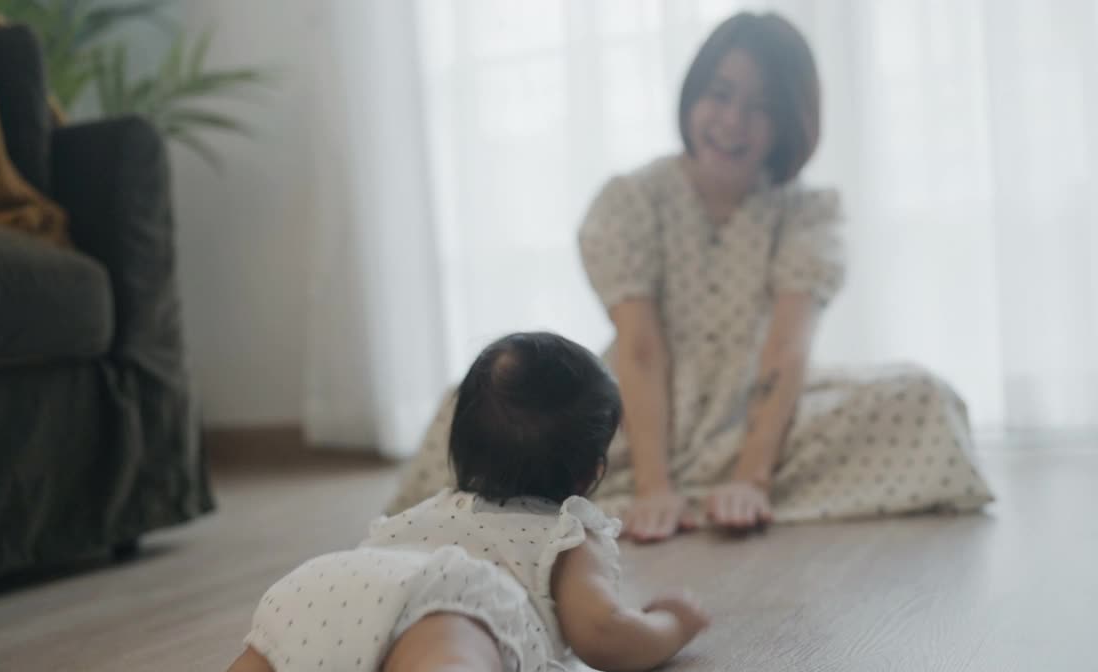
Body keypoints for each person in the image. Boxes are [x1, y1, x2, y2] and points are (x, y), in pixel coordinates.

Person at [387, 12, 994, 543]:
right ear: (693, 94)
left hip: (752, 413)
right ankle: (679, 486)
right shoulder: (631, 200)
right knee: (483, 409)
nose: (733, 121)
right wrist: (653, 486)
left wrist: (753, 474)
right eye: (721, 93)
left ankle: (728, 486)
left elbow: (787, 347)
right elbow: (641, 348)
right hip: (635, 411)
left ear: (790, 122)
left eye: (761, 107)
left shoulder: (811, 211)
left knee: (925, 398)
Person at [18, 332, 710, 672]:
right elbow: (601, 632)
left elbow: (378, 592)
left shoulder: (430, 512)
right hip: (446, 607)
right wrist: (669, 626)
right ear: (589, 472)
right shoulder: (567, 530)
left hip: (325, 590)